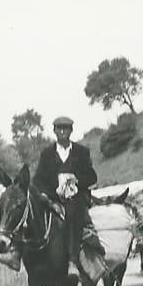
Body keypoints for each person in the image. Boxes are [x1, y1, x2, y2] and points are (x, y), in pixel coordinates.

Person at [32, 116, 99, 277]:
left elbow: (92, 177)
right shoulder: (47, 154)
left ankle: (72, 260)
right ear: (54, 131)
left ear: (71, 131)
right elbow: (38, 180)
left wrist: (77, 180)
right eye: (59, 128)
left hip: (75, 198)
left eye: (66, 128)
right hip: (53, 199)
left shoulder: (81, 152)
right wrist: (48, 199)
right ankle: (22, 256)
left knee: (72, 212)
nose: (62, 132)